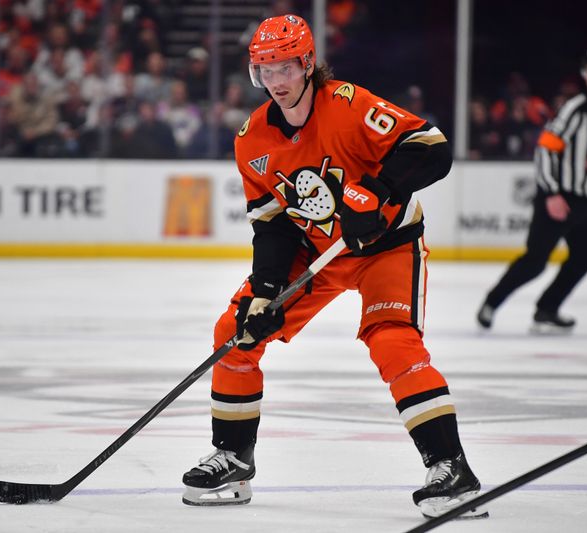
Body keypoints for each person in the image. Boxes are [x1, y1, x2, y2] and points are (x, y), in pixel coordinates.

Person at [180, 15, 487, 520]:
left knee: (392, 341)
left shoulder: (348, 105)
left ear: (307, 64)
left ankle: (451, 466)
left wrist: (380, 190)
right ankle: (233, 458)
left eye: (284, 67)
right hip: (315, 253)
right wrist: (266, 290)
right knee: (236, 332)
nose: (276, 81)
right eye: (265, 70)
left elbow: (431, 146)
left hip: (386, 246)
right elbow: (272, 226)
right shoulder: (251, 140)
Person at [476, 46, 587, 333]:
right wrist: (551, 194)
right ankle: (492, 302)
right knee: (535, 262)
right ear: (585, 75)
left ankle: (547, 309)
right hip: (557, 197)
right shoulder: (574, 110)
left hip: (585, 201)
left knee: (584, 258)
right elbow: (545, 150)